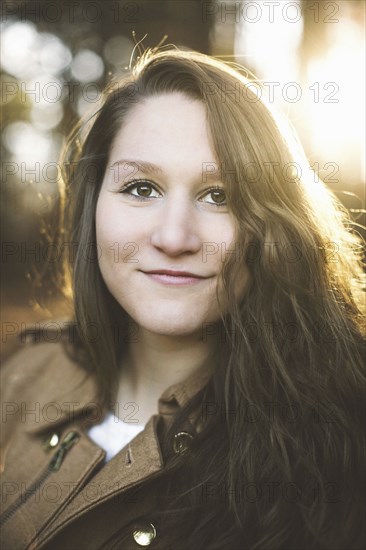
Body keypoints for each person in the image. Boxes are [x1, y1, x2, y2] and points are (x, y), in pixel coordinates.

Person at [0, 47, 365, 550]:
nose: (174, 238)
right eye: (142, 187)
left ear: (274, 226)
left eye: (220, 195)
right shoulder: (26, 370)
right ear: (93, 206)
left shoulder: (341, 447)